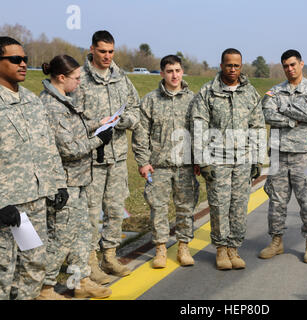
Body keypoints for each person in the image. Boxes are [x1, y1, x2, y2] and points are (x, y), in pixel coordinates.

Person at [35, 55, 114, 300]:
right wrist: (99, 139)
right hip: (64, 183)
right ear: (61, 77)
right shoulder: (51, 106)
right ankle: (44, 288)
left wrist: (97, 124)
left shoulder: (65, 101)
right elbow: (68, 149)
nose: (80, 82)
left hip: (79, 180)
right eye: (77, 78)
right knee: (62, 237)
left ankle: (81, 281)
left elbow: (75, 129)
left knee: (82, 233)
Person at [0, 37, 67, 300]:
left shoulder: (32, 100)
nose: (23, 64)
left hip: (36, 202)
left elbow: (48, 146)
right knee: (4, 271)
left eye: (25, 59)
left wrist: (58, 183)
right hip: (8, 206)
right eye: (15, 59)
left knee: (34, 266)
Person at [72, 30, 141, 284]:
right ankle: (90, 261)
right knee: (90, 213)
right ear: (92, 49)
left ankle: (109, 255)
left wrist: (123, 121)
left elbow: (136, 109)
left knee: (114, 210)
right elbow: (72, 117)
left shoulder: (121, 77)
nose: (107, 56)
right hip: (91, 159)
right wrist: (96, 124)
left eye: (111, 52)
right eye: (102, 51)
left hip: (118, 157)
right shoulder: (80, 79)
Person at [190, 48, 266, 270]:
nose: (233, 69)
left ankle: (234, 248)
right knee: (219, 205)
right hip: (217, 159)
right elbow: (198, 127)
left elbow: (258, 126)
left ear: (241, 67)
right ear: (221, 65)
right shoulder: (208, 93)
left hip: (243, 159)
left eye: (237, 65)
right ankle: (221, 249)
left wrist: (257, 159)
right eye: (229, 65)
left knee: (239, 205)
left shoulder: (250, 93)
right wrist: (203, 161)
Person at [258, 49, 307, 264]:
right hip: (278, 154)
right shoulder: (274, 91)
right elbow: (267, 113)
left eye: (293, 64)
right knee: (276, 201)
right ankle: (276, 241)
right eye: (286, 66)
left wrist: (283, 106)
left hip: (303, 154)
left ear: (301, 64)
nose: (290, 69)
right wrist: (290, 119)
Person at [132, 55, 199, 269]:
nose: (174, 75)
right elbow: (141, 134)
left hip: (186, 166)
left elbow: (200, 132)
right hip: (159, 165)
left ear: (182, 72)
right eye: (169, 71)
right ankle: (160, 248)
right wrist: (143, 162)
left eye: (178, 70)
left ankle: (183, 246)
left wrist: (199, 159)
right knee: (158, 208)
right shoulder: (151, 100)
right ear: (162, 73)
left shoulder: (193, 100)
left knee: (185, 207)